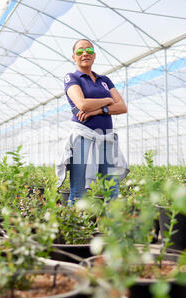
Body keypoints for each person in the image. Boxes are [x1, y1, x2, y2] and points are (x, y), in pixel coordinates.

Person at [56, 39, 129, 205]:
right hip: (83, 138)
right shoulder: (72, 77)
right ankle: (74, 227)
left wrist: (97, 110)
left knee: (111, 187)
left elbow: (122, 107)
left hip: (106, 139)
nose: (85, 54)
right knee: (78, 190)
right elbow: (82, 104)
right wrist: (108, 99)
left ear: (94, 55)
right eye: (80, 51)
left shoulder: (105, 80)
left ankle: (114, 227)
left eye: (89, 50)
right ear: (73, 56)